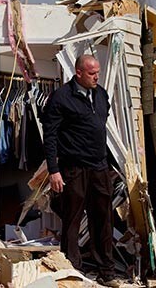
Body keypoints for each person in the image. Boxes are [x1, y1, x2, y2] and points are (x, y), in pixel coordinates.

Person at [42, 54, 119, 286]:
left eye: (98, 72)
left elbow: (101, 128)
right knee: (72, 220)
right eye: (92, 73)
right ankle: (72, 273)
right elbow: (50, 137)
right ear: (78, 73)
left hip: (99, 167)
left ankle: (107, 272)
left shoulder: (101, 94)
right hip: (73, 168)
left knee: (103, 219)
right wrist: (54, 170)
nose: (97, 77)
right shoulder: (61, 98)